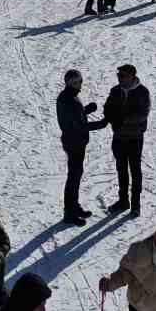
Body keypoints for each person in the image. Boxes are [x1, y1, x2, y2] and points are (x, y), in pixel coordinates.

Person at [56, 69, 106, 226]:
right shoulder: (68, 99)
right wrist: (101, 124)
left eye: (79, 81)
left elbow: (75, 116)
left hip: (76, 141)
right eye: (75, 82)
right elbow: (78, 125)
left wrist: (86, 110)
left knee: (76, 175)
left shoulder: (70, 96)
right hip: (74, 142)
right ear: (68, 83)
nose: (78, 84)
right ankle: (69, 213)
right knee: (73, 176)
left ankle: (74, 207)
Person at [103, 64, 151, 217]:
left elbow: (142, 114)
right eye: (119, 75)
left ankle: (136, 205)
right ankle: (123, 201)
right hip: (119, 137)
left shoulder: (142, 92)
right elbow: (107, 108)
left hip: (134, 138)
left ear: (132, 76)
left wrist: (122, 119)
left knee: (135, 171)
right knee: (121, 170)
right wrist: (111, 117)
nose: (120, 78)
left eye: (123, 76)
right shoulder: (115, 91)